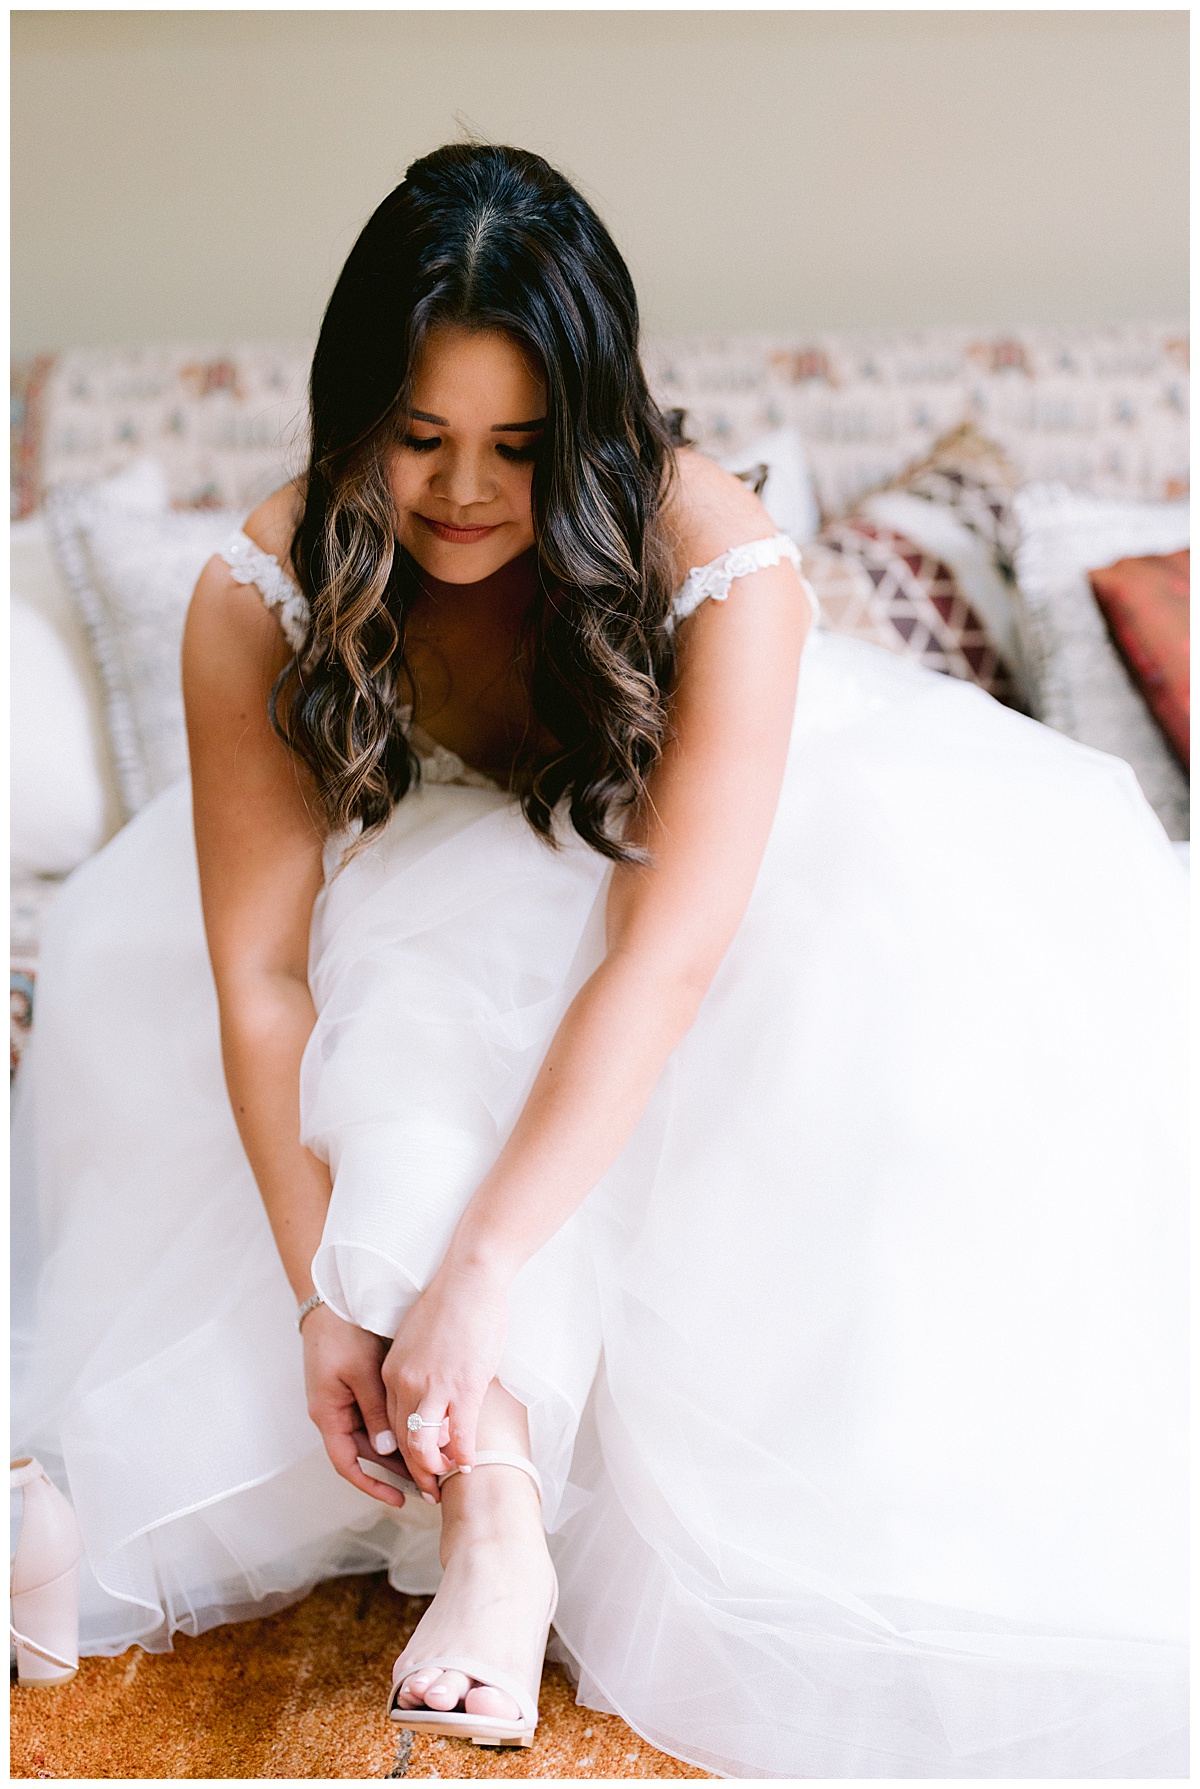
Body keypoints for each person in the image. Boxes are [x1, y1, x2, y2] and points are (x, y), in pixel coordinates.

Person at [11, 144, 1186, 1777]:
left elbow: (662, 956)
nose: (465, 493)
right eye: (416, 441)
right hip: (401, 890)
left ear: (603, 430)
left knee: (542, 958)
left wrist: (479, 1268)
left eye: (521, 446)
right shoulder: (260, 592)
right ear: (350, 416)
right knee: (403, 958)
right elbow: (266, 978)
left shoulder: (722, 568)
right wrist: (317, 1297)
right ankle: (475, 1511)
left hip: (720, 881)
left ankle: (494, 1522)